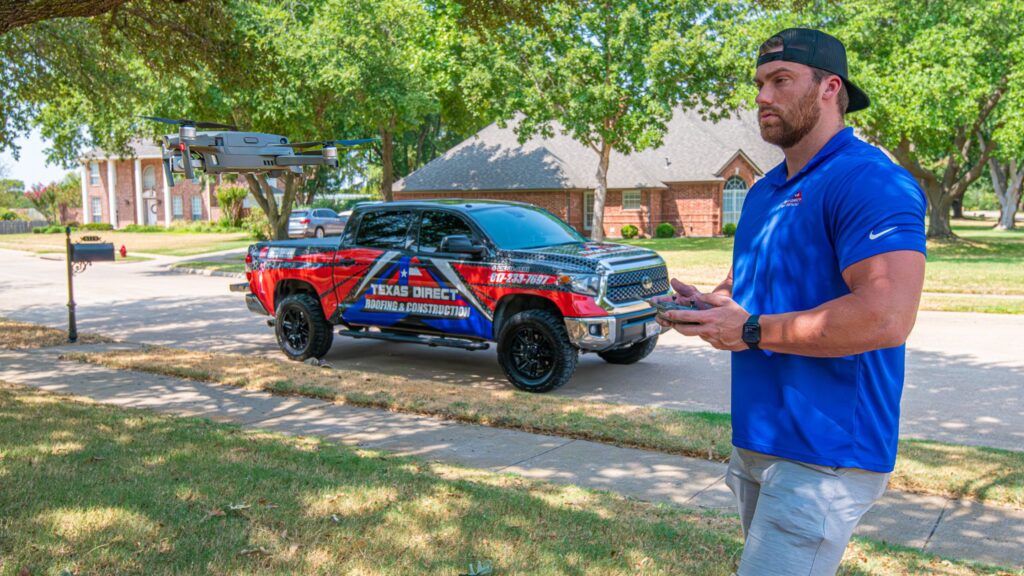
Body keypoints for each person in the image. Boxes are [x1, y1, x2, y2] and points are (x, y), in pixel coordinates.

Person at [654, 28, 927, 575]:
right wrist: (712, 307)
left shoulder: (870, 181)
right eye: (759, 83)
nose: (762, 97)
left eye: (781, 81)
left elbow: (887, 315)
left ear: (831, 88)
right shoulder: (763, 191)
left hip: (825, 452)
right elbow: (748, 292)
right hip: (759, 438)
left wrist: (750, 330)